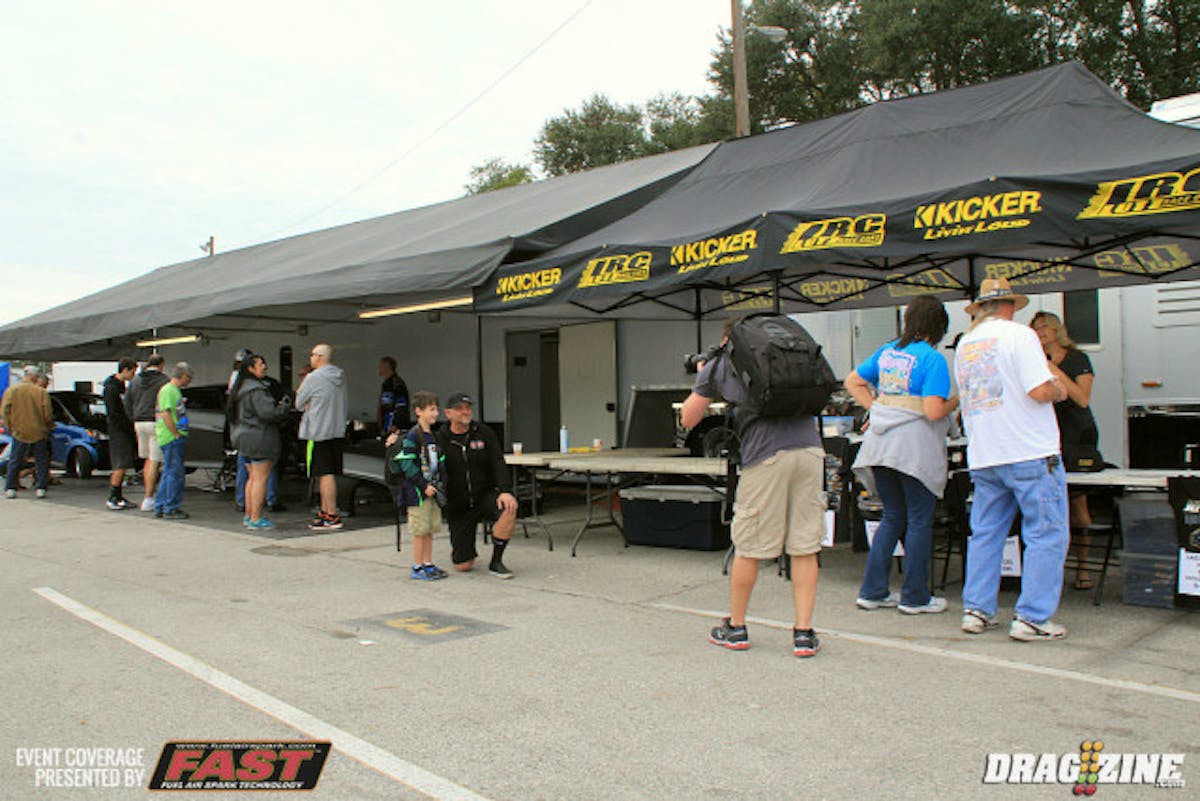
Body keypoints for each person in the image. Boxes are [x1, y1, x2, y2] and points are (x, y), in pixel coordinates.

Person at [681, 319, 827, 657]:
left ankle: (737, 626)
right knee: (804, 545)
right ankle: (804, 633)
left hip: (765, 458)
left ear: (728, 340)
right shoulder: (787, 354)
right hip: (809, 451)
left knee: (748, 545)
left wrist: (704, 376)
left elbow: (689, 419)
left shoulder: (720, 362)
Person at [955, 278, 1070, 641]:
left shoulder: (965, 344)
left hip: (986, 451)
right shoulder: (1021, 336)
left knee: (986, 533)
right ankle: (1033, 616)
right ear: (1010, 306)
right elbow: (1038, 390)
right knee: (1045, 533)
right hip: (1029, 449)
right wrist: (1060, 389)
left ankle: (977, 609)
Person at [845, 296, 959, 615]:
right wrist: (957, 402)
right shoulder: (932, 359)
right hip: (915, 448)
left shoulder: (888, 351)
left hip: (881, 444)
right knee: (920, 519)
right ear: (939, 326)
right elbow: (934, 411)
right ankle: (915, 597)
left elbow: (853, 381)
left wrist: (878, 408)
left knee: (893, 516)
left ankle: (873, 591)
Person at [1031, 310, 1100, 590]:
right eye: (1036, 328)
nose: (1041, 331)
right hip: (1046, 434)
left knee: (1077, 502)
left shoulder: (1077, 359)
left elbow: (1082, 399)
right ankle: (1051, 567)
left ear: (1057, 329)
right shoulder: (1034, 359)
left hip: (1077, 433)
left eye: (1046, 326)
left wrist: (1056, 371)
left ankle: (1083, 567)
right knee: (1047, 502)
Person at [435, 392, 518, 578]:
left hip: (484, 495)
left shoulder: (483, 432)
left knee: (509, 508)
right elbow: (416, 448)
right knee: (463, 566)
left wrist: (505, 491)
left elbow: (498, 462)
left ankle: (496, 562)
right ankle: (462, 550)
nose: (465, 412)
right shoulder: (439, 438)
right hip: (458, 504)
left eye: (468, 408)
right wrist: (394, 441)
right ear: (447, 413)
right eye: (459, 409)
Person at [387, 390, 449, 580]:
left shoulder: (434, 436)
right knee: (419, 530)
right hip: (417, 493)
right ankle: (417, 565)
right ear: (418, 411)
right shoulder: (413, 436)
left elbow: (441, 462)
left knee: (430, 529)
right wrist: (423, 485)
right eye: (431, 409)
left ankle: (428, 563)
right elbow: (408, 465)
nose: (435, 413)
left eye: (436, 409)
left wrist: (441, 484)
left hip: (433, 491)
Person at [228, 354, 291, 529]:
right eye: (261, 364)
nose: (264, 366)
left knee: (251, 478)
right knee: (260, 479)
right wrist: (284, 407)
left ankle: (249, 516)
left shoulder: (240, 388)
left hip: (243, 438)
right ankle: (256, 518)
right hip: (259, 438)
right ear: (251, 369)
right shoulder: (257, 390)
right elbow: (268, 413)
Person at [296, 343, 348, 530]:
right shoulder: (340, 376)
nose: (310, 358)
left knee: (323, 474)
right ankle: (327, 512)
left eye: (312, 355)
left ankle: (331, 514)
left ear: (319, 357)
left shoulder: (313, 378)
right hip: (336, 429)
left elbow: (299, 402)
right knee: (330, 472)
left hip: (318, 431)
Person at [125, 354, 171, 511]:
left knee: (147, 460)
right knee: (155, 461)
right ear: (161, 365)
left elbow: (127, 402)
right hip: (154, 423)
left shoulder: (135, 381)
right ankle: (149, 497)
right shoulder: (164, 381)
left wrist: (133, 418)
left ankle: (149, 494)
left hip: (139, 423)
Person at [3, 366, 53, 499]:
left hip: (19, 431)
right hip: (38, 431)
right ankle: (41, 487)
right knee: (41, 460)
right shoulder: (41, 392)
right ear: (34, 376)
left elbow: (5, 411)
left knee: (15, 459)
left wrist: (10, 427)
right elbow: (47, 414)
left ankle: (10, 487)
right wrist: (48, 426)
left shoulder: (11, 391)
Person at [154, 362, 194, 520]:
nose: (189, 381)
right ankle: (171, 506)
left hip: (172, 436)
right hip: (171, 438)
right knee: (175, 473)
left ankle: (161, 505)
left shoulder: (173, 390)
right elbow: (165, 414)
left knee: (169, 472)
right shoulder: (169, 391)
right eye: (189, 377)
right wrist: (176, 433)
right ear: (183, 376)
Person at [102, 357, 139, 510]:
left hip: (122, 428)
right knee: (120, 464)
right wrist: (128, 428)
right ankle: (112, 496)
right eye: (133, 372)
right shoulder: (112, 389)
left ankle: (118, 495)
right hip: (118, 431)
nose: (133, 375)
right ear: (125, 370)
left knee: (123, 465)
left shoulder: (121, 386)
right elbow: (115, 413)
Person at [377, 356, 410, 435]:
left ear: (387, 367)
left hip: (394, 426)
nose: (378, 369)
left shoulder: (397, 384)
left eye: (380, 366)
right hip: (386, 424)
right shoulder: (386, 384)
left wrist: (396, 424)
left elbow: (401, 406)